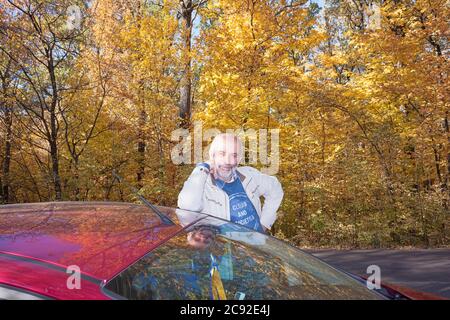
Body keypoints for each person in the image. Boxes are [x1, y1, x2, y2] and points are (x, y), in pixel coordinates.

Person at [178, 133, 284, 233]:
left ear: (239, 159)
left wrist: (265, 223)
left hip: (255, 248)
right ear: (212, 155)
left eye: (234, 155)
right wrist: (203, 167)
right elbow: (188, 206)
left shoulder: (250, 176)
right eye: (222, 154)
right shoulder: (202, 186)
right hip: (222, 250)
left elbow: (275, 188)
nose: (228, 161)